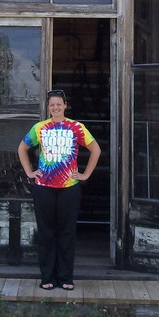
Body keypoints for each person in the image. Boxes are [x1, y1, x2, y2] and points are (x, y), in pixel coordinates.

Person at [17, 88, 101, 291]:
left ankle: (65, 278)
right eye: (52, 104)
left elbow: (95, 149)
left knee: (66, 233)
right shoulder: (40, 128)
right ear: (48, 107)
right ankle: (47, 277)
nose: (55, 107)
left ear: (65, 105)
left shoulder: (76, 127)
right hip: (44, 188)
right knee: (46, 233)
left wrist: (85, 174)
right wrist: (30, 172)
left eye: (59, 104)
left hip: (69, 189)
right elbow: (22, 148)